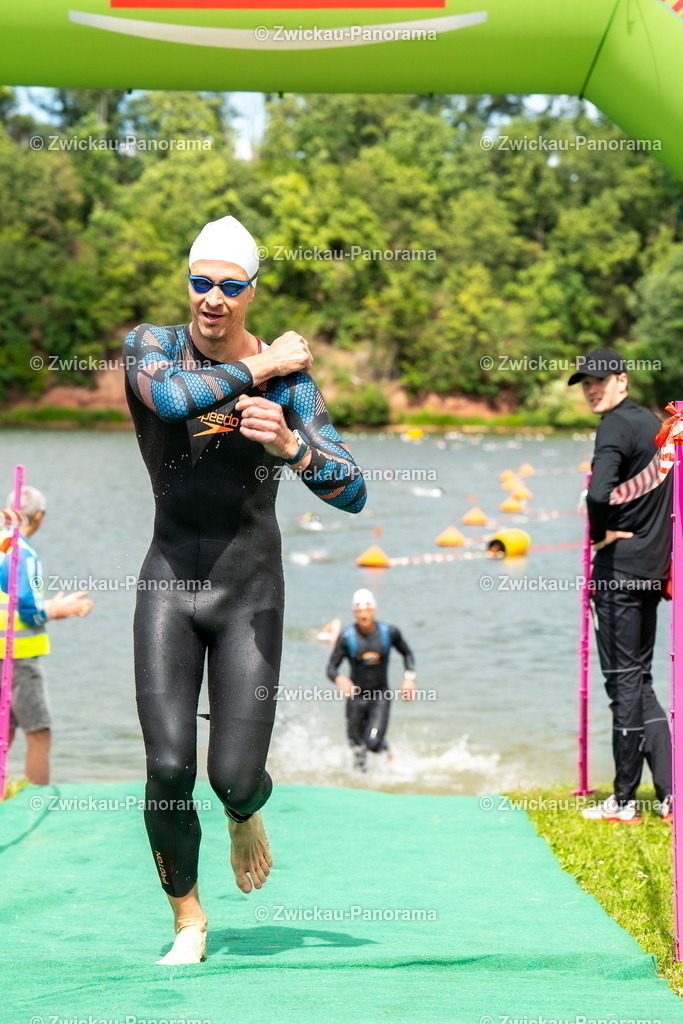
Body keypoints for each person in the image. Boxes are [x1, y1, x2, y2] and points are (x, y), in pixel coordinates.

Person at [124, 214, 366, 966]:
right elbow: (171, 404)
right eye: (202, 282)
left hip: (250, 594)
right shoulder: (151, 348)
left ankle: (244, 808)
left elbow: (353, 489)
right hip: (168, 581)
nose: (213, 299)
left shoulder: (291, 384)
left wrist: (292, 446)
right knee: (167, 767)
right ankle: (189, 922)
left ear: (251, 292)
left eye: (231, 286)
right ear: (187, 283)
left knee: (230, 776)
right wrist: (259, 370)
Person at [568, 349, 673, 824]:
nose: (591, 388)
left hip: (620, 573)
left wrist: (597, 535)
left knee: (623, 684)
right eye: (584, 383)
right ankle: (671, 792)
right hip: (653, 569)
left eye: (598, 381)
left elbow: (597, 492)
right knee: (640, 679)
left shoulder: (613, 425)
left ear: (621, 380)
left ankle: (625, 800)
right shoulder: (654, 425)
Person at [0, 486, 93, 785]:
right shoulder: (21, 552)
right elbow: (27, 606)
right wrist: (56, 609)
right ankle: (36, 802)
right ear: (39, 515)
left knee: (6, 731)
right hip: (19, 657)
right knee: (39, 734)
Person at [326, 589, 416, 771]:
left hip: (380, 696)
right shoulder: (347, 637)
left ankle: (388, 748)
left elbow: (407, 654)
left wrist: (409, 678)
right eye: (359, 611)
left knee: (372, 743)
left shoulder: (389, 632)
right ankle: (360, 786)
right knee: (356, 747)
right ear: (354, 613)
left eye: (367, 610)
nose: (363, 615)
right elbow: (331, 668)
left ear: (374, 610)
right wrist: (339, 678)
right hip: (356, 698)